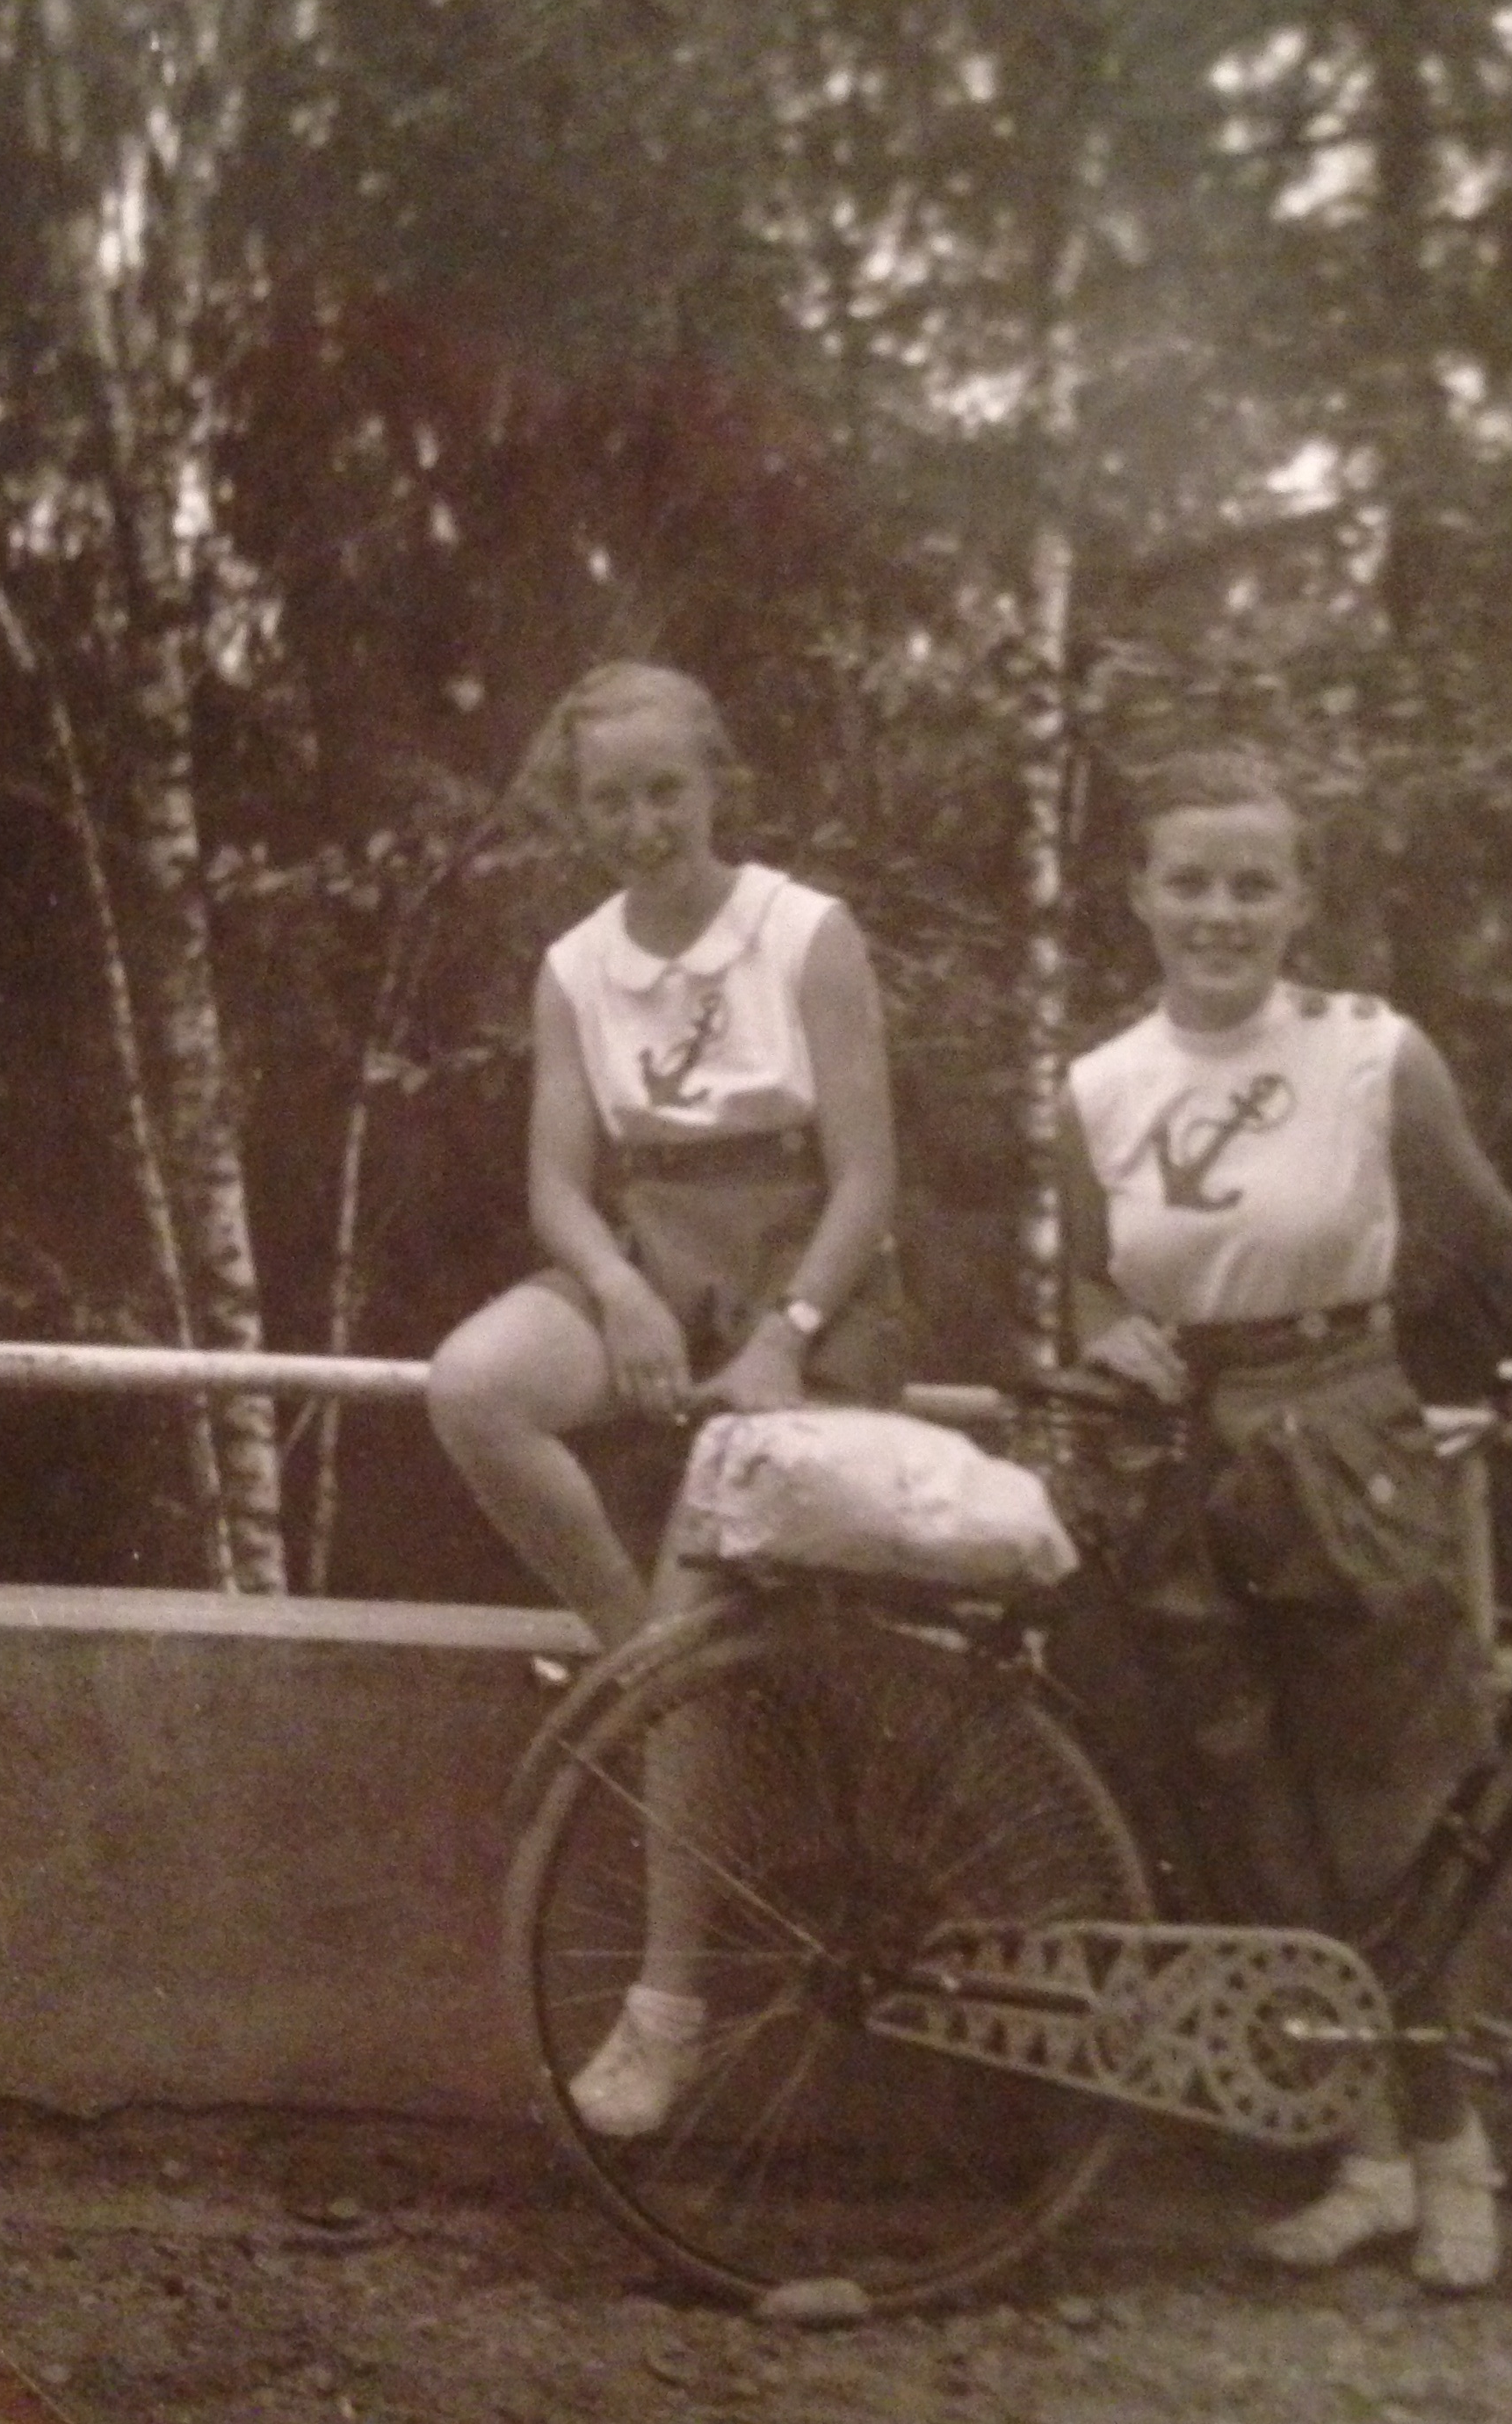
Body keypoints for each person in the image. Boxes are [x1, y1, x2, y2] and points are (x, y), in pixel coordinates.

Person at [1060, 743, 1512, 2294]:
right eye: (1190, 880)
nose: (1220, 912)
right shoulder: (1100, 1085)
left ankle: (1453, 2147)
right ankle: (1362, 2154)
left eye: (1252, 882)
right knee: (1249, 1813)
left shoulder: (1372, 1054)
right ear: (1138, 894)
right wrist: (1104, 1334)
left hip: (1343, 1435)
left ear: (1300, 898)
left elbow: (1497, 1233)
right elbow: (1092, 1281)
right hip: (1178, 1461)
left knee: (1391, 1813)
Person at [429, 657, 903, 2133]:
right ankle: (638, 1659)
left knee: (706, 1585)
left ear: (713, 785)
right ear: (577, 810)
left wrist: (785, 1334)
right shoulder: (576, 965)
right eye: (608, 799)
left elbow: (869, 1179)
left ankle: (667, 2011)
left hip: (800, 1281)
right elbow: (557, 1187)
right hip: (651, 1261)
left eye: (663, 791)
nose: (639, 824)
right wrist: (619, 1288)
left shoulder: (804, 932)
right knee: (476, 1382)